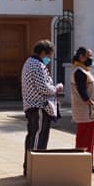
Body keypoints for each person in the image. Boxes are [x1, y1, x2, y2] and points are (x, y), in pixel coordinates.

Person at [20, 39, 63, 173]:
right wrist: (57, 88)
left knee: (33, 136)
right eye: (49, 55)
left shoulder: (30, 62)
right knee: (37, 137)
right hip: (39, 106)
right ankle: (34, 168)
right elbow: (43, 88)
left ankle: (31, 167)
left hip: (34, 106)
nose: (49, 58)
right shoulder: (36, 65)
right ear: (43, 52)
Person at [70, 46, 94, 167]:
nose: (91, 58)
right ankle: (81, 164)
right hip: (85, 110)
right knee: (83, 138)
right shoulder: (79, 71)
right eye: (88, 56)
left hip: (90, 110)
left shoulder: (84, 70)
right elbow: (81, 90)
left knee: (90, 138)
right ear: (81, 57)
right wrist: (88, 101)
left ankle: (88, 164)